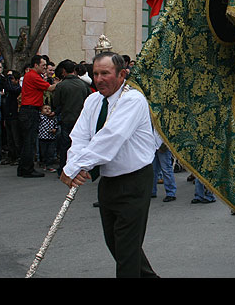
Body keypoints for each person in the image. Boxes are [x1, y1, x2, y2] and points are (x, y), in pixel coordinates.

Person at [61, 52, 162, 278]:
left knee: (126, 250)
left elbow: (110, 137)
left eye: (105, 73)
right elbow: (79, 137)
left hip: (134, 181)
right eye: (95, 73)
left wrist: (78, 167)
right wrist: (73, 164)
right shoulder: (93, 100)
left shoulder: (133, 100)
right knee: (117, 245)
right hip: (108, 182)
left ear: (122, 74)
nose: (99, 79)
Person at [17, 55, 57, 178]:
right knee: (29, 141)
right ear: (35, 65)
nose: (45, 68)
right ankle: (27, 169)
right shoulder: (33, 76)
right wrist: (62, 83)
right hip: (30, 111)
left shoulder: (31, 75)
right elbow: (49, 88)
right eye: (43, 65)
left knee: (27, 141)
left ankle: (23, 168)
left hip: (28, 110)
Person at [52, 59, 92, 176]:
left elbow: (56, 103)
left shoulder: (61, 85)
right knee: (80, 144)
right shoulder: (83, 85)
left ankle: (64, 169)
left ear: (64, 71)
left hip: (67, 118)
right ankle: (79, 168)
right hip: (80, 119)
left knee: (65, 145)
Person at [38, 104, 58, 172]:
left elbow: (56, 125)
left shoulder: (53, 118)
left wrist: (55, 129)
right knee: (43, 152)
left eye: (49, 108)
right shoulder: (41, 117)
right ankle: (43, 163)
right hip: (42, 137)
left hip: (51, 138)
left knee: (50, 152)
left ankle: (49, 165)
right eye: (45, 108)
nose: (47, 110)